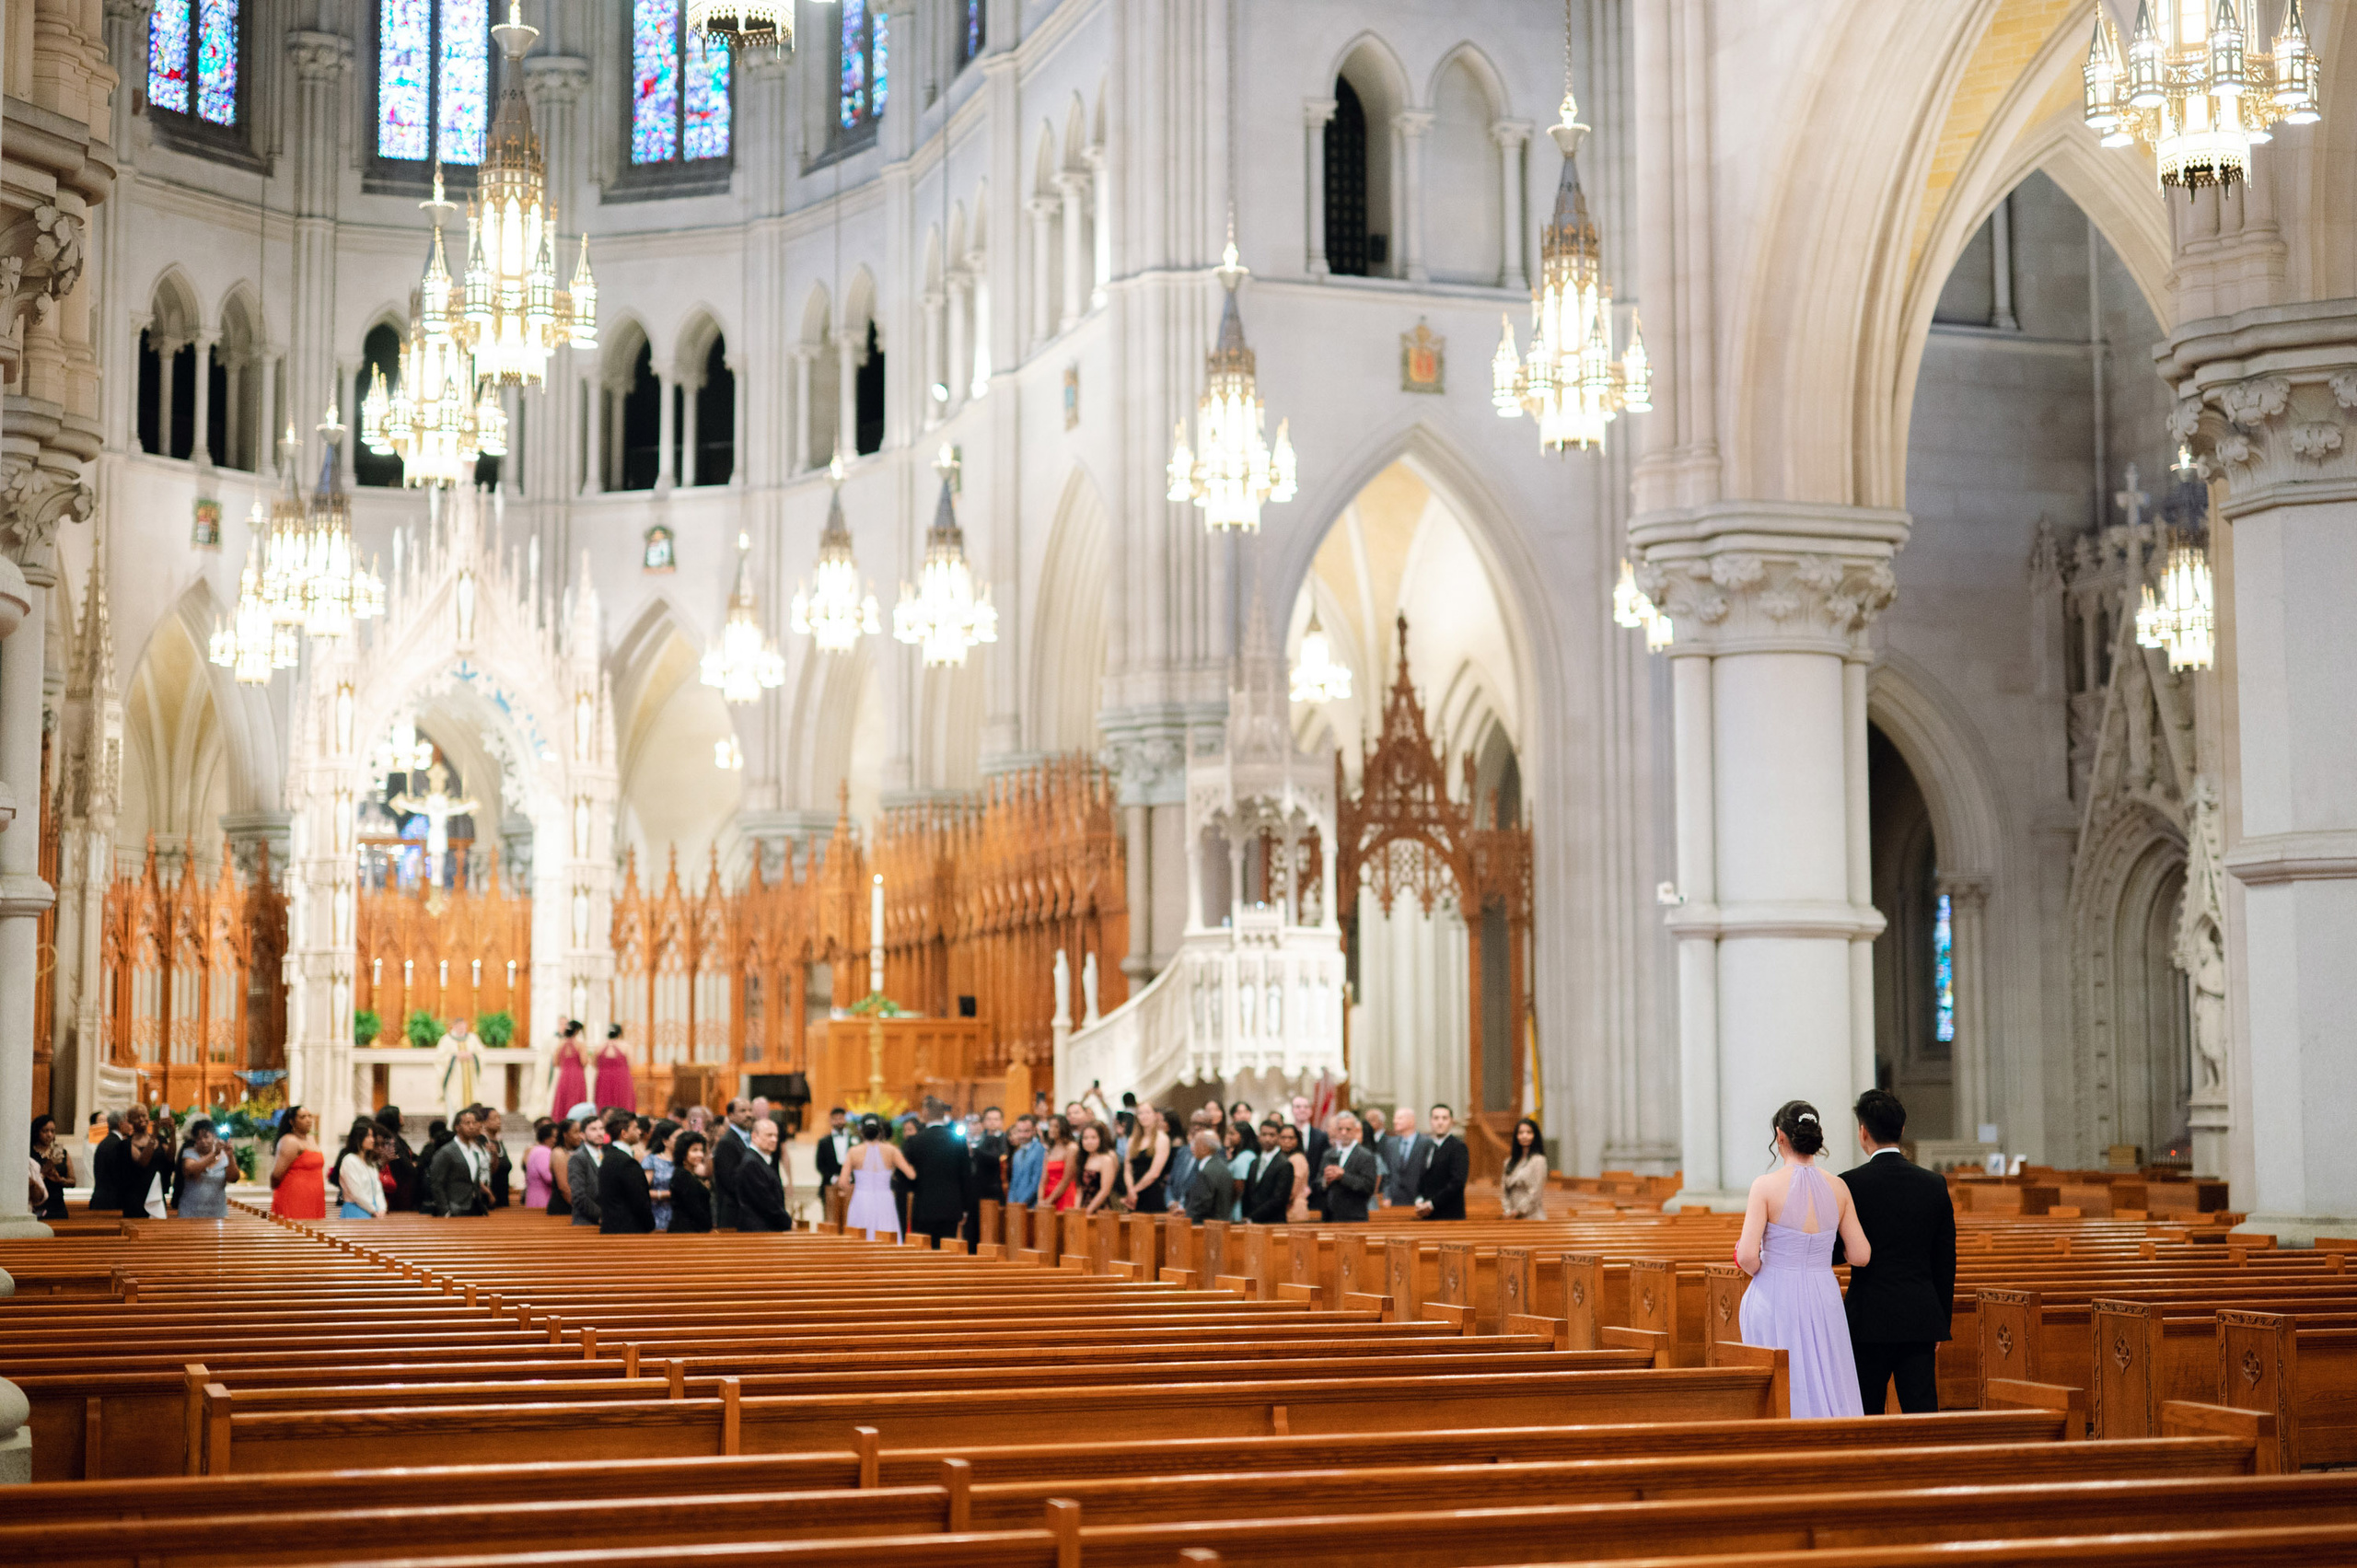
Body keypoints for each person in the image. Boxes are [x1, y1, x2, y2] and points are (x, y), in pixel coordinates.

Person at [1736, 1099, 1870, 1420]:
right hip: (1823, 1294)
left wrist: (1767, 1263)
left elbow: (1747, 1257)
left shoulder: (1765, 1186)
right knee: (1827, 1374)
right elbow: (1861, 1255)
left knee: (1783, 1380)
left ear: (1780, 1136)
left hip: (1775, 1293)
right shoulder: (1838, 1187)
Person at [1839, 1089, 1957, 1415]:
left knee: (1866, 1415)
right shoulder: (1934, 1184)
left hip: (1867, 1320)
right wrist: (1940, 1323)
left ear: (1863, 1131)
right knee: (1921, 1415)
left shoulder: (1849, 1184)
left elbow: (1837, 1251)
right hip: (1919, 1318)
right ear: (1902, 1130)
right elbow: (1945, 1262)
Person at [903, 1097, 975, 1247]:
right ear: (943, 1114)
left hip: (923, 1207)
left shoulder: (915, 1141)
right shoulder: (958, 1140)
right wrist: (966, 1208)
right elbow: (966, 1176)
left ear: (925, 1112)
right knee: (946, 1252)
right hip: (951, 1207)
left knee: (923, 1253)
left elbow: (907, 1177)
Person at [842, 1113, 911, 1236]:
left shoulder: (853, 1152)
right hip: (885, 1200)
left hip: (861, 1199)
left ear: (861, 1131)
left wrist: (851, 1189)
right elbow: (911, 1174)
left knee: (860, 1236)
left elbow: (843, 1182)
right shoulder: (891, 1150)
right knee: (886, 1234)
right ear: (880, 1132)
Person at [427, 1106, 493, 1217]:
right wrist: (445, 1211)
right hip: (455, 1208)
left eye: (474, 1122)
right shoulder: (447, 1151)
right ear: (457, 1127)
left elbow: (473, 1181)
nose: (472, 1127)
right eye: (467, 1123)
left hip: (474, 1207)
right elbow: (436, 1183)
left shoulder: (474, 1150)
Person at [598, 1113, 656, 1233]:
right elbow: (639, 1200)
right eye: (635, 1128)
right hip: (627, 1229)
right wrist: (650, 1224)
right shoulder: (626, 1162)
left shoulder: (609, 1155)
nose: (639, 1132)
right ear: (624, 1133)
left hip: (613, 1226)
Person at [733, 1115, 792, 1231]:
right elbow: (765, 1201)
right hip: (757, 1230)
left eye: (776, 1135)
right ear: (754, 1136)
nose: (774, 1140)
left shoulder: (761, 1160)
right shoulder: (751, 1163)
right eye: (769, 1135)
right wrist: (787, 1222)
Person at [269, 1105, 327, 1219]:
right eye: (303, 1117)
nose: (308, 1120)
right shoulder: (289, 1141)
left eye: (309, 1116)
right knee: (296, 1233)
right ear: (292, 1121)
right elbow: (276, 1175)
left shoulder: (311, 1139)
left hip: (314, 1199)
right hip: (294, 1198)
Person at [1321, 1111, 1380, 1223]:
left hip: (1354, 1217)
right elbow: (1318, 1182)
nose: (1344, 1133)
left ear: (1355, 1130)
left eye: (1348, 1129)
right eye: (1340, 1129)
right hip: (1329, 1217)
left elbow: (1368, 1186)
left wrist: (1343, 1176)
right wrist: (1325, 1181)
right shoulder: (1328, 1154)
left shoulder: (1365, 1156)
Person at [1415, 1104, 1469, 1221]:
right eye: (1436, 1118)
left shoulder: (1458, 1147)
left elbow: (1457, 1182)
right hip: (1427, 1214)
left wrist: (1431, 1204)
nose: (1440, 1122)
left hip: (1449, 1215)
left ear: (1451, 1122)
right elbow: (1422, 1178)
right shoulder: (1428, 1146)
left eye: (1445, 1118)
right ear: (1431, 1121)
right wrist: (1419, 1200)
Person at [1244, 1121, 1301, 1223]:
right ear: (1259, 1137)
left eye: (1272, 1135)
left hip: (1273, 1222)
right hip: (1252, 1222)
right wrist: (1247, 1216)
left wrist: (1253, 1217)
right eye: (1264, 1134)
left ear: (1278, 1137)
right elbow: (1248, 1193)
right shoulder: (1254, 1162)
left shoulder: (1284, 1164)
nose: (1267, 1139)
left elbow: (1279, 1199)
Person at [1120, 1100, 1170, 1214]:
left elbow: (1154, 1173)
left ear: (1155, 1115)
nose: (1144, 1116)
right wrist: (1130, 1189)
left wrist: (1134, 1190)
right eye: (1140, 1113)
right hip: (1133, 1194)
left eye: (1147, 1112)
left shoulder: (1162, 1138)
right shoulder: (1133, 1139)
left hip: (1151, 1192)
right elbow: (1127, 1168)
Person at [711, 1098, 754, 1229]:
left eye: (750, 1110)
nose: (748, 1114)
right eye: (743, 1111)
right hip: (733, 1211)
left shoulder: (752, 1137)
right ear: (731, 1116)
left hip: (747, 1210)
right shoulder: (727, 1142)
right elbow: (730, 1180)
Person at [177, 1118, 233, 1218]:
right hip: (190, 1213)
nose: (203, 1141)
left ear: (214, 1136)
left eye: (206, 1137)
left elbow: (233, 1178)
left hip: (217, 1212)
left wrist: (231, 1156)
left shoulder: (225, 1155)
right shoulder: (189, 1153)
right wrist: (215, 1154)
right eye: (199, 1138)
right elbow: (192, 1171)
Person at [968, 1105, 1007, 1242]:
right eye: (989, 1119)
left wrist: (975, 1151)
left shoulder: (1005, 1139)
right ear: (983, 1122)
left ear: (1001, 1121)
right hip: (976, 1191)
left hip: (996, 1190)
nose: (992, 1122)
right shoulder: (979, 1139)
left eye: (996, 1119)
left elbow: (998, 1158)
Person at [1288, 1095, 1331, 1214]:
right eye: (1298, 1107)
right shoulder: (1286, 1135)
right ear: (1292, 1110)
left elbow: (1324, 1165)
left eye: (1306, 1107)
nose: (1302, 1110)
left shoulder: (1321, 1137)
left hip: (1315, 1194)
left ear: (1311, 1111)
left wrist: (1310, 1187)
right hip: (1289, 1196)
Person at [1382, 1107, 1430, 1210]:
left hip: (1418, 1200)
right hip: (1394, 1200)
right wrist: (1387, 1196)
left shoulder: (1426, 1143)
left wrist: (1424, 1197)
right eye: (1395, 1118)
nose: (1395, 1121)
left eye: (1400, 1118)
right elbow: (1387, 1173)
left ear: (1412, 1121)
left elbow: (1429, 1173)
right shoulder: (1391, 1144)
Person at [337, 1119, 387, 1219]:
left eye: (372, 1136)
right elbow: (357, 1192)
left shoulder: (369, 1162)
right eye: (368, 1136)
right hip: (355, 1209)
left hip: (373, 1210)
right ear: (358, 1138)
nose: (372, 1140)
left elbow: (377, 1189)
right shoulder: (349, 1160)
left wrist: (382, 1208)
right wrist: (373, 1210)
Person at [375, 1106, 421, 1212]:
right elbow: (408, 1168)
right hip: (398, 1190)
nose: (402, 1117)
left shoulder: (395, 1138)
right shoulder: (391, 1141)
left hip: (402, 1187)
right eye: (399, 1114)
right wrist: (414, 1164)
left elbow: (413, 1157)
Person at [1501, 1118, 1549, 1219]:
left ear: (1535, 1136)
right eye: (1521, 1133)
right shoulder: (1509, 1162)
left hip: (1532, 1215)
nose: (1524, 1136)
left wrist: (1519, 1211)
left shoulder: (1538, 1160)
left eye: (1529, 1132)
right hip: (1512, 1216)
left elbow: (1536, 1191)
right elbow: (1504, 1190)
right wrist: (1508, 1210)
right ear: (1516, 1136)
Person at [668, 1131, 714, 1233]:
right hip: (686, 1231)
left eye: (701, 1150)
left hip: (693, 1229)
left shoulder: (689, 1173)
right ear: (683, 1153)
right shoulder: (682, 1175)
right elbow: (695, 1209)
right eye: (694, 1150)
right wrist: (709, 1228)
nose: (700, 1154)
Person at [1181, 1129, 1231, 1222]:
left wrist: (1188, 1218)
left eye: (1195, 1143)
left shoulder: (1207, 1171)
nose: (1192, 1147)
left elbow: (1202, 1206)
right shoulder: (1221, 1165)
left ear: (1205, 1148)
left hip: (1206, 1228)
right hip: (1221, 1224)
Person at [567, 1114, 608, 1226]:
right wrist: (601, 1215)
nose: (599, 1133)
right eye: (593, 1129)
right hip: (586, 1222)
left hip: (608, 1221)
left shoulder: (606, 1154)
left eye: (601, 1129)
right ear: (582, 1135)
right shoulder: (578, 1158)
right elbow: (578, 1195)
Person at [1074, 1121, 1120, 1217]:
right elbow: (1080, 1190)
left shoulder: (1106, 1159)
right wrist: (1076, 1212)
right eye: (1085, 1138)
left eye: (1093, 1138)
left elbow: (1105, 1191)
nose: (1089, 1141)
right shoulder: (1083, 1159)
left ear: (1101, 1139)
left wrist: (1088, 1211)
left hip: (1100, 1210)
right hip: (1083, 1209)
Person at [29, 1116, 70, 1221]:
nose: (49, 1135)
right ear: (37, 1131)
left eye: (52, 1131)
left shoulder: (59, 1152)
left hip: (58, 1205)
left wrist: (60, 1180)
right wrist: (43, 1173)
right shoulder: (30, 1153)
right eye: (45, 1131)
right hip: (38, 1204)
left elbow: (73, 1181)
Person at [86, 1109, 127, 1214]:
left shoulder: (104, 1142)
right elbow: (119, 1175)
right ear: (121, 1125)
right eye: (127, 1121)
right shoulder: (118, 1144)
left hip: (101, 1199)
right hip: (112, 1202)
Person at [1220, 1121, 1260, 1222]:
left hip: (1238, 1205)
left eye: (1232, 1133)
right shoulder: (1244, 1155)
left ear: (1243, 1136)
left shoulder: (1244, 1157)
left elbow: (1240, 1187)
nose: (1228, 1136)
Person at [550, 1020, 589, 1121]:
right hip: (577, 1075)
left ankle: (561, 1119)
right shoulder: (580, 1044)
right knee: (575, 1098)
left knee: (563, 1097)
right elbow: (584, 1062)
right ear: (576, 1031)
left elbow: (555, 1063)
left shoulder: (560, 1044)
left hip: (564, 1074)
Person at [1040, 1115, 1081, 1211]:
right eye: (1050, 1126)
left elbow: (1066, 1179)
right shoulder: (1049, 1150)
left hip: (1064, 1194)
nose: (1052, 1129)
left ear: (1063, 1128)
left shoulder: (1071, 1148)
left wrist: (1049, 1201)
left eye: (1056, 1126)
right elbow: (1043, 1179)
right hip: (1048, 1194)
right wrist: (1040, 1199)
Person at [594, 1024, 637, 1112]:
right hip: (621, 1077)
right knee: (622, 1101)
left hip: (603, 1077)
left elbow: (595, 1064)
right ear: (620, 1034)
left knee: (604, 1101)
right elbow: (632, 1064)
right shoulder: (626, 1046)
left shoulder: (599, 1046)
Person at [1161, 1109, 1198, 1212]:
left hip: (1190, 1210)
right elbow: (1170, 1182)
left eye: (1196, 1136)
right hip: (1174, 1210)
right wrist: (1171, 1202)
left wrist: (1182, 1204)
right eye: (1191, 1136)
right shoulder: (1182, 1152)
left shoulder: (1206, 1158)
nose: (1192, 1139)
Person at [1005, 1114, 1044, 1208]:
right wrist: (1011, 1203)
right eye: (1019, 1131)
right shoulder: (1017, 1153)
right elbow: (1014, 1182)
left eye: (1026, 1131)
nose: (1022, 1135)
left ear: (1034, 1130)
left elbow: (1036, 1183)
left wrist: (1021, 1204)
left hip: (1031, 1205)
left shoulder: (1040, 1150)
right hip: (1015, 1205)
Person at [645, 1121, 679, 1232]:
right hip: (658, 1213)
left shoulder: (685, 1161)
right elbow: (642, 1190)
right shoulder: (652, 1160)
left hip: (680, 1214)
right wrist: (666, 1194)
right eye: (677, 1138)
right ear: (665, 1141)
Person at [813, 1107, 853, 1191]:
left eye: (841, 1118)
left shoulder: (854, 1140)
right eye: (835, 1119)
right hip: (829, 1184)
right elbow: (820, 1164)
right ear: (830, 1121)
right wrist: (833, 1178)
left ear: (845, 1119)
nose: (838, 1121)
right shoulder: (823, 1142)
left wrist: (849, 1177)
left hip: (852, 1184)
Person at [523, 1119, 559, 1211]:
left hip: (539, 1196)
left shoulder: (540, 1150)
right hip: (542, 1199)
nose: (558, 1139)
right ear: (547, 1138)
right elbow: (549, 1177)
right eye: (556, 1137)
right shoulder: (543, 1152)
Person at [482, 1108, 513, 1207]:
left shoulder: (499, 1141)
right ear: (484, 1122)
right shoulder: (482, 1141)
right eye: (494, 1118)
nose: (498, 1121)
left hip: (503, 1195)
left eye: (499, 1118)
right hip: (489, 1196)